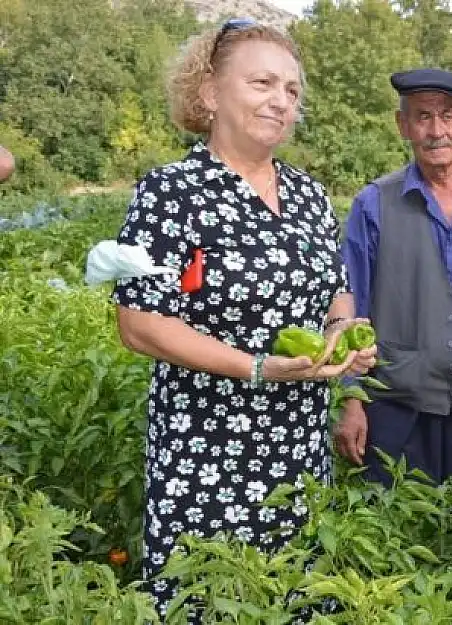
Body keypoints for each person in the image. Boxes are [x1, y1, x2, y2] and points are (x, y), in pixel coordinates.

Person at [107, 18, 376, 620]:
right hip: (206, 457)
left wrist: (343, 337)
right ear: (209, 93)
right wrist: (256, 368)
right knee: (209, 596)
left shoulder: (307, 195)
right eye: (262, 83)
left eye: (291, 91)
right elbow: (140, 323)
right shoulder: (171, 193)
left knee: (292, 598)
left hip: (298, 454)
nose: (281, 101)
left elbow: (337, 292)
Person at [333, 68, 452, 485]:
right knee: (395, 538)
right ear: (403, 125)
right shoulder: (374, 204)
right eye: (422, 116)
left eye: (448, 116)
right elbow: (348, 304)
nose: (436, 131)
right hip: (397, 410)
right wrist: (351, 399)